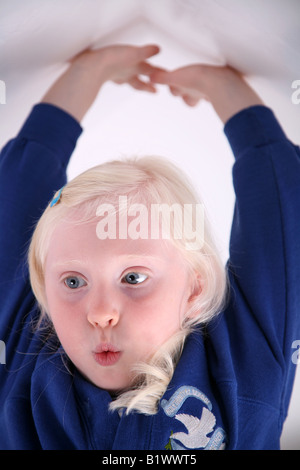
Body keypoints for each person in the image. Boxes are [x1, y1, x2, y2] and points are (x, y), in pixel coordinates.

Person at [0, 44, 299, 450]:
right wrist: (88, 71)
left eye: (133, 276)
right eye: (72, 281)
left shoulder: (245, 363)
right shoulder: (19, 355)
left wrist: (224, 87)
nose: (100, 313)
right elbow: (14, 196)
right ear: (44, 291)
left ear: (194, 288)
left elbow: (280, 208)